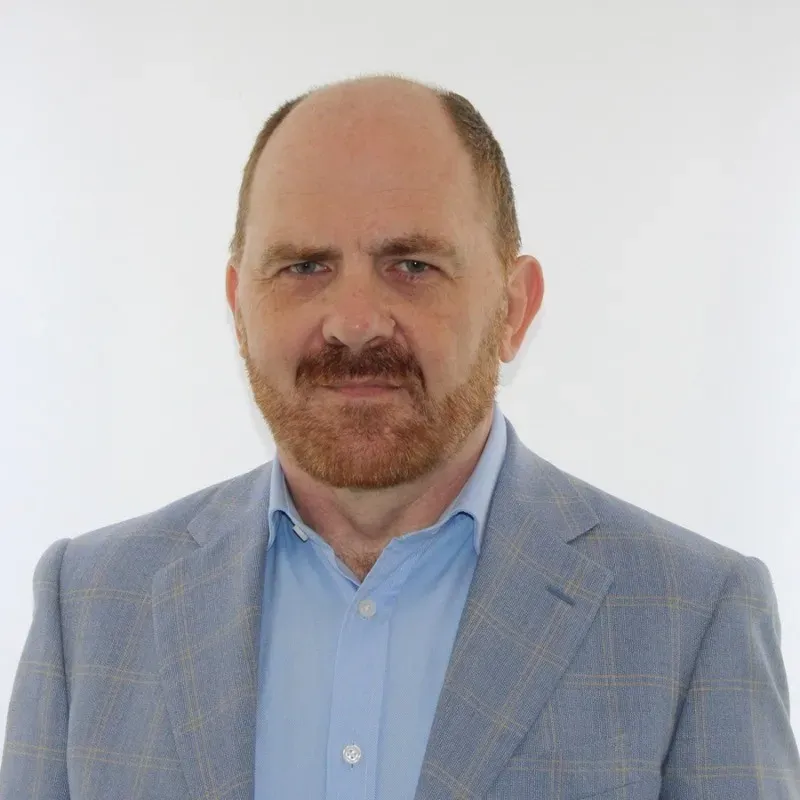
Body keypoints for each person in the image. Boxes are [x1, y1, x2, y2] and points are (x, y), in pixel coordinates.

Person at [1, 73, 798, 800]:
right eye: (304, 266)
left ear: (514, 308)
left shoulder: (692, 617)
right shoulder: (89, 608)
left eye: (411, 265)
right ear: (239, 307)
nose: (353, 322)